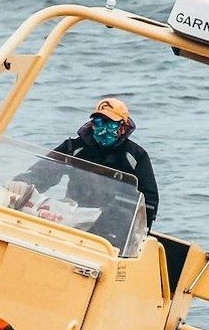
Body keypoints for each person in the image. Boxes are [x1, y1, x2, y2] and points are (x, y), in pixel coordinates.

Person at [18, 96, 159, 231]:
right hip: (73, 217)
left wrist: (139, 227)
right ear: (92, 124)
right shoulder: (73, 148)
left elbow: (149, 200)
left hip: (113, 224)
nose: (103, 127)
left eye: (110, 123)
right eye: (98, 122)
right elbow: (43, 173)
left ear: (123, 126)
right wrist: (22, 183)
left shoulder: (135, 156)